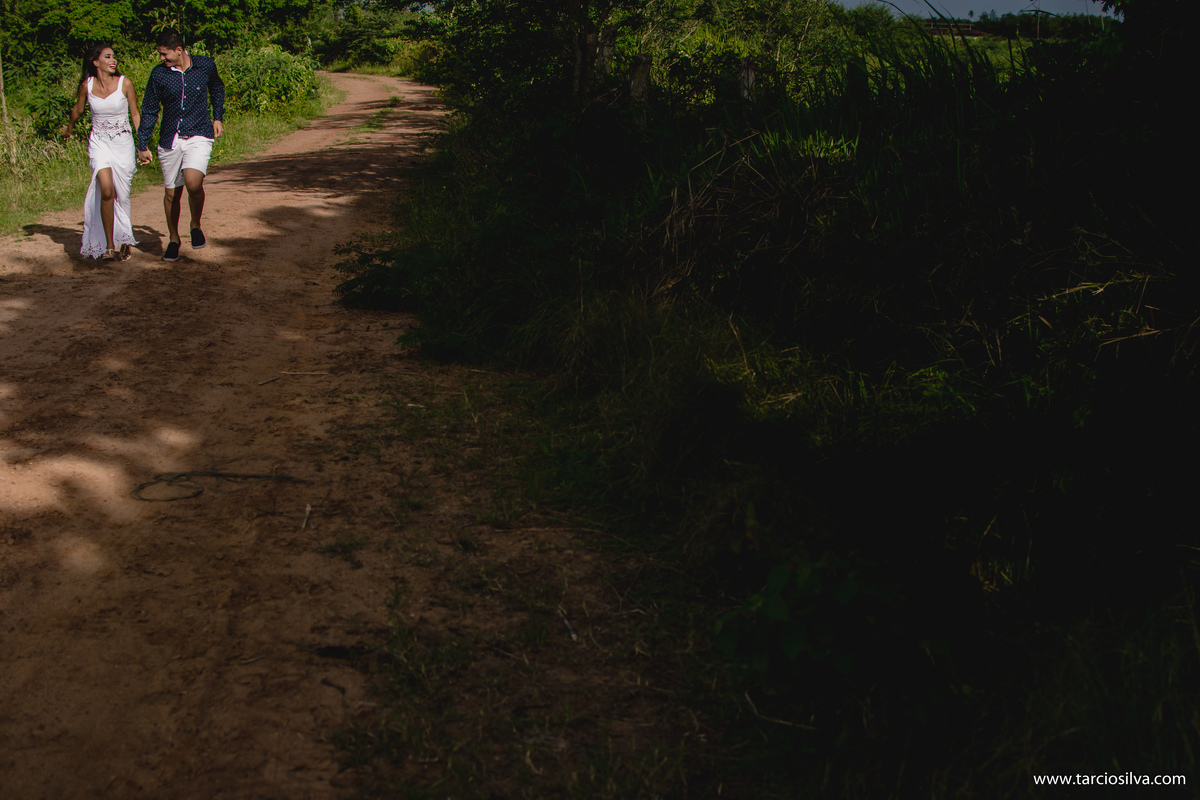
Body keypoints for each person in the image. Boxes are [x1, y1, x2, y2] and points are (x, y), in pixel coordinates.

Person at [136, 30, 225, 262]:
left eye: (165, 55)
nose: (162, 59)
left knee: (193, 182)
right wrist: (142, 142)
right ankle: (174, 239)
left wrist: (218, 116)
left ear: (179, 50)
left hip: (199, 134)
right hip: (170, 139)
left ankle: (195, 224)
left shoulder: (204, 65)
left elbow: (217, 88)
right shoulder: (159, 74)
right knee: (171, 194)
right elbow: (150, 109)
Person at [61, 44, 140, 262]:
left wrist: (142, 144)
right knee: (106, 190)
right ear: (96, 62)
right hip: (99, 143)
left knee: (122, 195)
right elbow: (78, 109)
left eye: (114, 56)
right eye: (108, 56)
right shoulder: (87, 85)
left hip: (123, 143)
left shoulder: (125, 83)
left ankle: (125, 237)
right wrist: (69, 128)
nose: (113, 60)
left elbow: (134, 114)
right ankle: (108, 245)